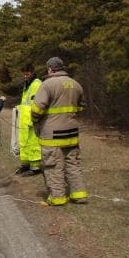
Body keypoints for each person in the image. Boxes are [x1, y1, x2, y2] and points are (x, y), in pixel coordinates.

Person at [30, 57, 87, 206]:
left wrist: (36, 120)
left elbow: (37, 109)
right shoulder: (76, 84)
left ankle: (57, 197)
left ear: (50, 69)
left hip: (52, 134)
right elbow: (81, 107)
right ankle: (79, 195)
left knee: (53, 166)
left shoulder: (47, 84)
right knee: (73, 165)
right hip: (72, 133)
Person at [17, 64, 43, 176]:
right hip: (24, 119)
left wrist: (35, 118)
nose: (25, 76)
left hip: (32, 120)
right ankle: (25, 164)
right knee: (24, 142)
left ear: (32, 72)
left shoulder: (37, 84)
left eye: (27, 74)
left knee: (33, 143)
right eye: (23, 74)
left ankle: (35, 167)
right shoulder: (27, 84)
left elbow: (37, 103)